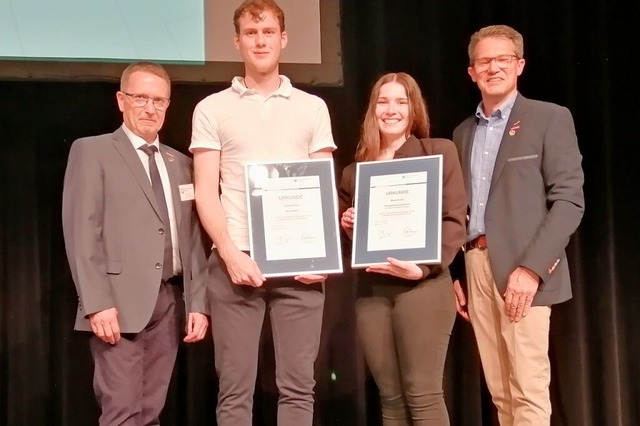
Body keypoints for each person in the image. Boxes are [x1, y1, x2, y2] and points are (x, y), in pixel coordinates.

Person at [188, 1, 336, 425]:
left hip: (300, 268)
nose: (260, 41)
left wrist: (322, 256)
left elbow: (321, 188)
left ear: (283, 39)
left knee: (298, 390)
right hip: (236, 264)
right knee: (234, 392)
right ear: (237, 41)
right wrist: (231, 255)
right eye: (251, 34)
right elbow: (205, 191)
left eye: (268, 32)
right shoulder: (212, 108)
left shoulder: (312, 107)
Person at [62, 61, 209, 425]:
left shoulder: (181, 163)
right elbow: (82, 231)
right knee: (122, 411)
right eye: (140, 98)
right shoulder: (93, 151)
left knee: (150, 411)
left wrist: (198, 303)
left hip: (170, 303)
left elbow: (192, 238)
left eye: (159, 100)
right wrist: (97, 303)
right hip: (117, 303)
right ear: (121, 100)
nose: (150, 108)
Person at [451, 25, 585, 425]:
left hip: (523, 270)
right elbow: (462, 212)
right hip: (476, 266)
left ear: (520, 65)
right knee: (501, 392)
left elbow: (569, 201)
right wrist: (456, 272)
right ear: (471, 72)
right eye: (484, 61)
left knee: (527, 392)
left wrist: (531, 269)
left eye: (503, 59)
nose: (493, 67)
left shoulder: (549, 118)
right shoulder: (462, 133)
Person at [338, 72, 467, 425]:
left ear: (414, 109)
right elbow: (353, 238)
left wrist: (423, 267)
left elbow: (454, 220)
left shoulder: (438, 152)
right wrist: (347, 224)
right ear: (372, 110)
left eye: (400, 101)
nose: (391, 109)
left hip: (422, 286)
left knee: (423, 396)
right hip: (373, 291)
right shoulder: (354, 172)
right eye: (383, 101)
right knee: (391, 399)